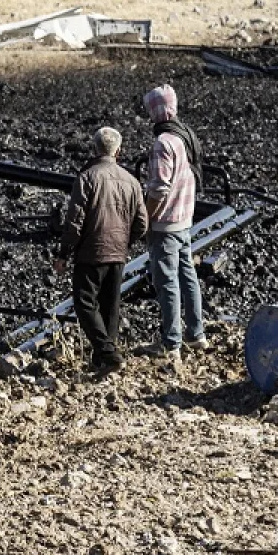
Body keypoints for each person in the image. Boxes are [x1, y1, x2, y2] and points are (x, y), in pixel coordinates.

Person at [55, 127, 148, 375]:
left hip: (91, 252)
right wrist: (126, 242)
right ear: (119, 151)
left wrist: (64, 254)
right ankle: (105, 359)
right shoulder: (132, 182)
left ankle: (109, 353)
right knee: (110, 305)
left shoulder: (86, 178)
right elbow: (142, 223)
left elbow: (74, 222)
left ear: (94, 149)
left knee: (84, 302)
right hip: (118, 252)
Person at [142, 84, 207, 365]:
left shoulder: (162, 144)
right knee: (187, 276)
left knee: (167, 282)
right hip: (184, 219)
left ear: (155, 110)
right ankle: (197, 333)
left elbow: (158, 189)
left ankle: (171, 344)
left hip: (165, 224)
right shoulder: (185, 136)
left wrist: (144, 219)